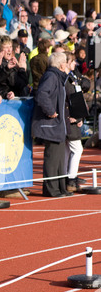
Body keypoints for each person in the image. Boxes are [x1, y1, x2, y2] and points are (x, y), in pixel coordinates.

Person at [31, 52, 72, 197]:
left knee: (60, 159)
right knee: (52, 159)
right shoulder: (51, 76)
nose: (67, 65)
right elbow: (42, 94)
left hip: (58, 124)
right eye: (66, 62)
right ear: (62, 64)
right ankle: (51, 189)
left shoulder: (58, 77)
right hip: (51, 123)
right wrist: (50, 111)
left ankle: (61, 188)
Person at [64, 52, 90, 192]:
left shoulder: (72, 76)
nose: (75, 64)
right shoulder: (66, 78)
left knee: (68, 150)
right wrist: (75, 116)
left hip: (73, 117)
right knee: (76, 148)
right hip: (69, 118)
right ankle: (71, 179)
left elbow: (82, 88)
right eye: (73, 62)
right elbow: (70, 98)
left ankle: (68, 177)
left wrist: (80, 116)